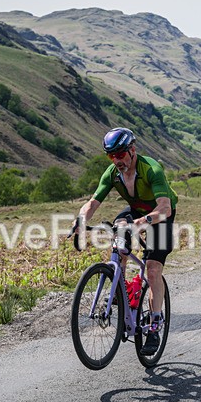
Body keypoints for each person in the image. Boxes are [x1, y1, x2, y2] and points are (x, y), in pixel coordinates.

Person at [71, 127, 178, 355]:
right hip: (136, 210)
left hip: (160, 215)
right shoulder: (112, 173)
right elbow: (92, 202)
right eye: (111, 155)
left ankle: (155, 324)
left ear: (132, 150)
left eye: (120, 154)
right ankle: (120, 292)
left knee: (152, 269)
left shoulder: (151, 169)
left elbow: (165, 208)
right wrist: (80, 220)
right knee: (118, 236)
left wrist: (141, 223)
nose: (116, 160)